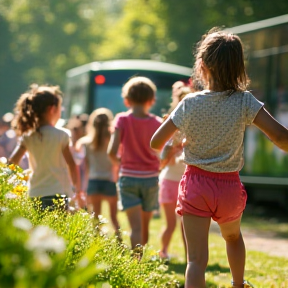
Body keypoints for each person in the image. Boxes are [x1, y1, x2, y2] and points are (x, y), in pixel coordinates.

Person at [150, 28, 288, 288]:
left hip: (195, 185)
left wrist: (182, 139)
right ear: (239, 67)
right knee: (233, 238)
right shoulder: (245, 101)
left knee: (195, 261)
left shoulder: (189, 103)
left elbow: (156, 141)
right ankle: (238, 284)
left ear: (202, 65)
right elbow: (281, 137)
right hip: (229, 187)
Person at [108, 76, 162, 249]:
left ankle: (135, 263)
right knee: (145, 226)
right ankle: (140, 261)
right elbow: (161, 151)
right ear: (152, 100)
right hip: (151, 179)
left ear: (126, 100)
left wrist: (119, 163)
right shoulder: (157, 123)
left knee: (135, 227)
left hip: (129, 178)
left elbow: (111, 151)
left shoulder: (122, 120)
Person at [9, 84, 81, 210]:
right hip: (58, 193)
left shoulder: (28, 137)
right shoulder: (61, 135)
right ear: (52, 109)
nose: (61, 110)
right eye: (60, 107)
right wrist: (76, 189)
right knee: (57, 228)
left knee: (39, 228)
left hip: (35, 193)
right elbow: (71, 164)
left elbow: (12, 162)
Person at [158, 85, 192, 260]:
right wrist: (174, 149)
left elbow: (163, 160)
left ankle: (189, 258)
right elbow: (163, 160)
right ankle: (163, 252)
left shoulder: (185, 128)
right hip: (175, 182)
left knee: (182, 226)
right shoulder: (173, 129)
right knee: (173, 225)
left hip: (183, 183)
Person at [76, 108, 120, 233]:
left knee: (95, 218)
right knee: (114, 217)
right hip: (109, 181)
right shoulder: (113, 141)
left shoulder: (85, 142)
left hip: (93, 181)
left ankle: (96, 244)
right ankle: (120, 243)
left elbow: (85, 166)